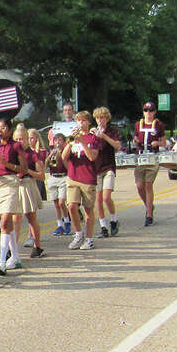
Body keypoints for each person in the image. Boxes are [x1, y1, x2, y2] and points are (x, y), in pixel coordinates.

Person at [0, 119, 24, 275]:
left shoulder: (16, 146)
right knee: (6, 223)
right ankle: (15, 257)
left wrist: (6, 164)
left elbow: (24, 168)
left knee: (4, 221)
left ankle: (2, 261)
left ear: (9, 129)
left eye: (3, 128)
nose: (0, 131)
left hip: (11, 182)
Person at [61, 111, 102, 251]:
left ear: (88, 122)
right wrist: (71, 142)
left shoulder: (93, 139)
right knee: (71, 206)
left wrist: (83, 141)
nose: (81, 123)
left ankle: (89, 239)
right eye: (79, 121)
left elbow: (92, 157)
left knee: (88, 210)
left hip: (88, 178)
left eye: (84, 121)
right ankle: (78, 234)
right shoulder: (72, 138)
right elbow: (64, 157)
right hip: (73, 177)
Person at [133, 102, 167, 226]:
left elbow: (164, 142)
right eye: (146, 110)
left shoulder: (159, 125)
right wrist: (135, 141)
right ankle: (149, 205)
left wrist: (157, 144)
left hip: (152, 158)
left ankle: (149, 215)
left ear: (154, 112)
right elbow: (135, 138)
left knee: (148, 185)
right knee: (139, 186)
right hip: (141, 157)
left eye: (150, 110)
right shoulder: (138, 124)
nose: (148, 113)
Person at [92, 107, 123, 238]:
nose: (100, 120)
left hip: (109, 166)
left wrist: (103, 136)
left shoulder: (112, 131)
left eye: (102, 118)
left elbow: (118, 146)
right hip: (96, 168)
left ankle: (114, 220)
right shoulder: (93, 132)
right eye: (98, 118)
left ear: (107, 119)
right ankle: (103, 226)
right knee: (98, 200)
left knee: (106, 197)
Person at [19, 128, 46, 258]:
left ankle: (38, 245)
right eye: (17, 139)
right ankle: (10, 250)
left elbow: (41, 175)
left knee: (31, 218)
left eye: (22, 139)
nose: (20, 142)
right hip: (15, 185)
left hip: (28, 184)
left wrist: (28, 171)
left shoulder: (33, 154)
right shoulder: (12, 153)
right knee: (13, 219)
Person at [45, 134, 71, 236]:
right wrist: (50, 156)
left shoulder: (66, 152)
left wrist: (62, 156)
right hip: (53, 177)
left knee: (61, 202)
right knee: (56, 204)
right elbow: (46, 164)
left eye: (60, 140)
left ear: (64, 142)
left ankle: (67, 221)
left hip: (63, 177)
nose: (57, 142)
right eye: (56, 140)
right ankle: (59, 225)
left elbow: (68, 167)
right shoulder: (52, 151)